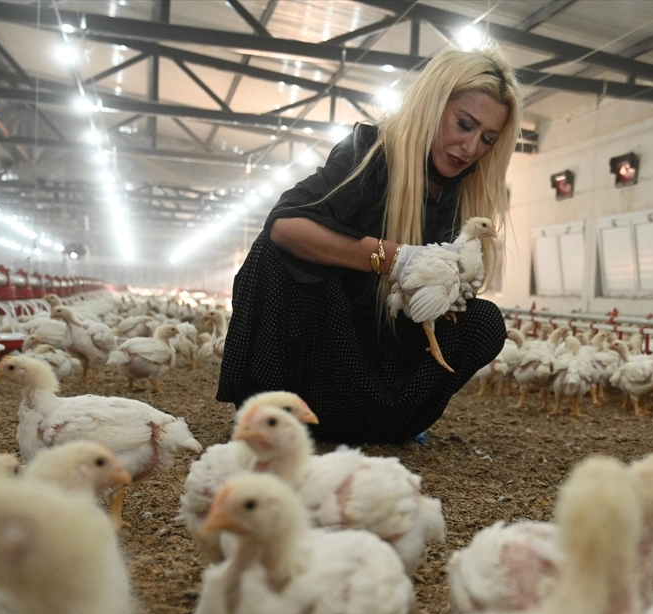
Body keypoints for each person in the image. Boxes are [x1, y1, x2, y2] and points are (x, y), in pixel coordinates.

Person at [217, 43, 522, 444]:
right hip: (324, 354)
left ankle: (399, 418)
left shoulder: (464, 201)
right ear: (433, 106)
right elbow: (286, 227)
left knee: (484, 322)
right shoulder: (371, 153)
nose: (471, 148)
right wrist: (394, 260)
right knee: (276, 255)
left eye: (487, 138)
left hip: (380, 371)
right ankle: (274, 409)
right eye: (464, 124)